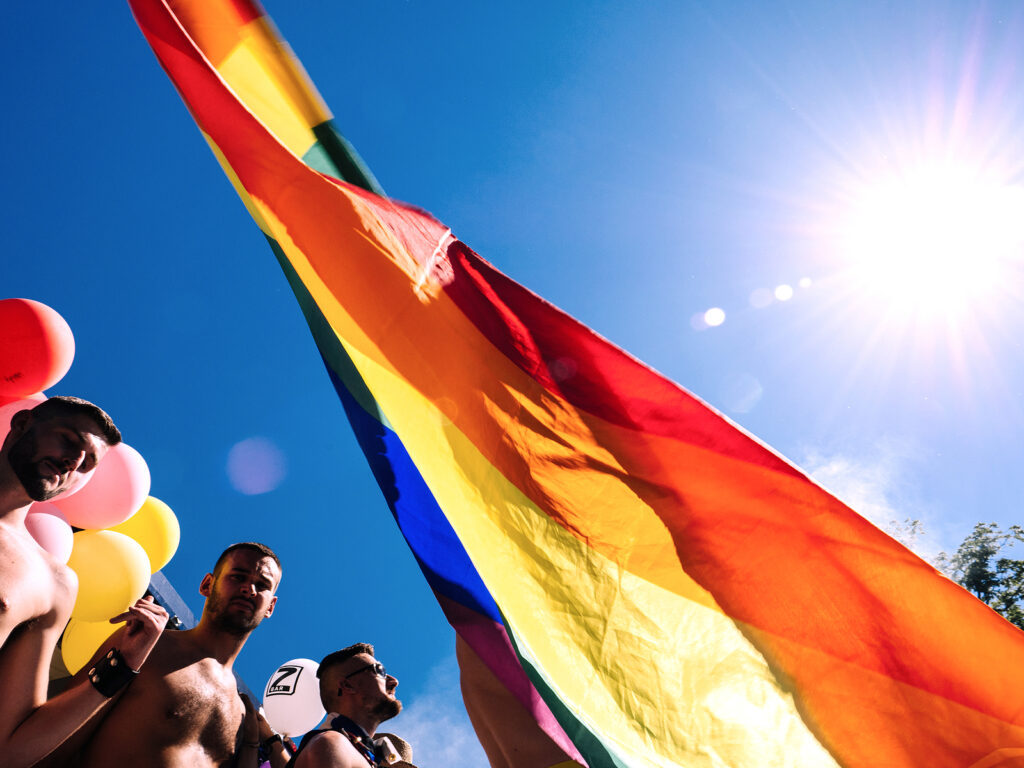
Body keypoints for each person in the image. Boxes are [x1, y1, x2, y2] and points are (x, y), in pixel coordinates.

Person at [0, 396, 168, 768]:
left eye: (87, 463)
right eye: (69, 440)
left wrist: (122, 664)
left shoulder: (52, 582)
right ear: (23, 423)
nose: (73, 462)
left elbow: (10, 749)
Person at [62, 541, 283, 768]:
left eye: (262, 584)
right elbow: (61, 728)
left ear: (270, 607)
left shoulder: (242, 714)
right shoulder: (149, 645)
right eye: (238, 577)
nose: (249, 589)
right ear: (207, 584)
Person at [291, 643, 402, 768]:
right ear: (348, 686)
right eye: (380, 670)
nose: (394, 681)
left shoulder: (340, 746)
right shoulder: (331, 743)